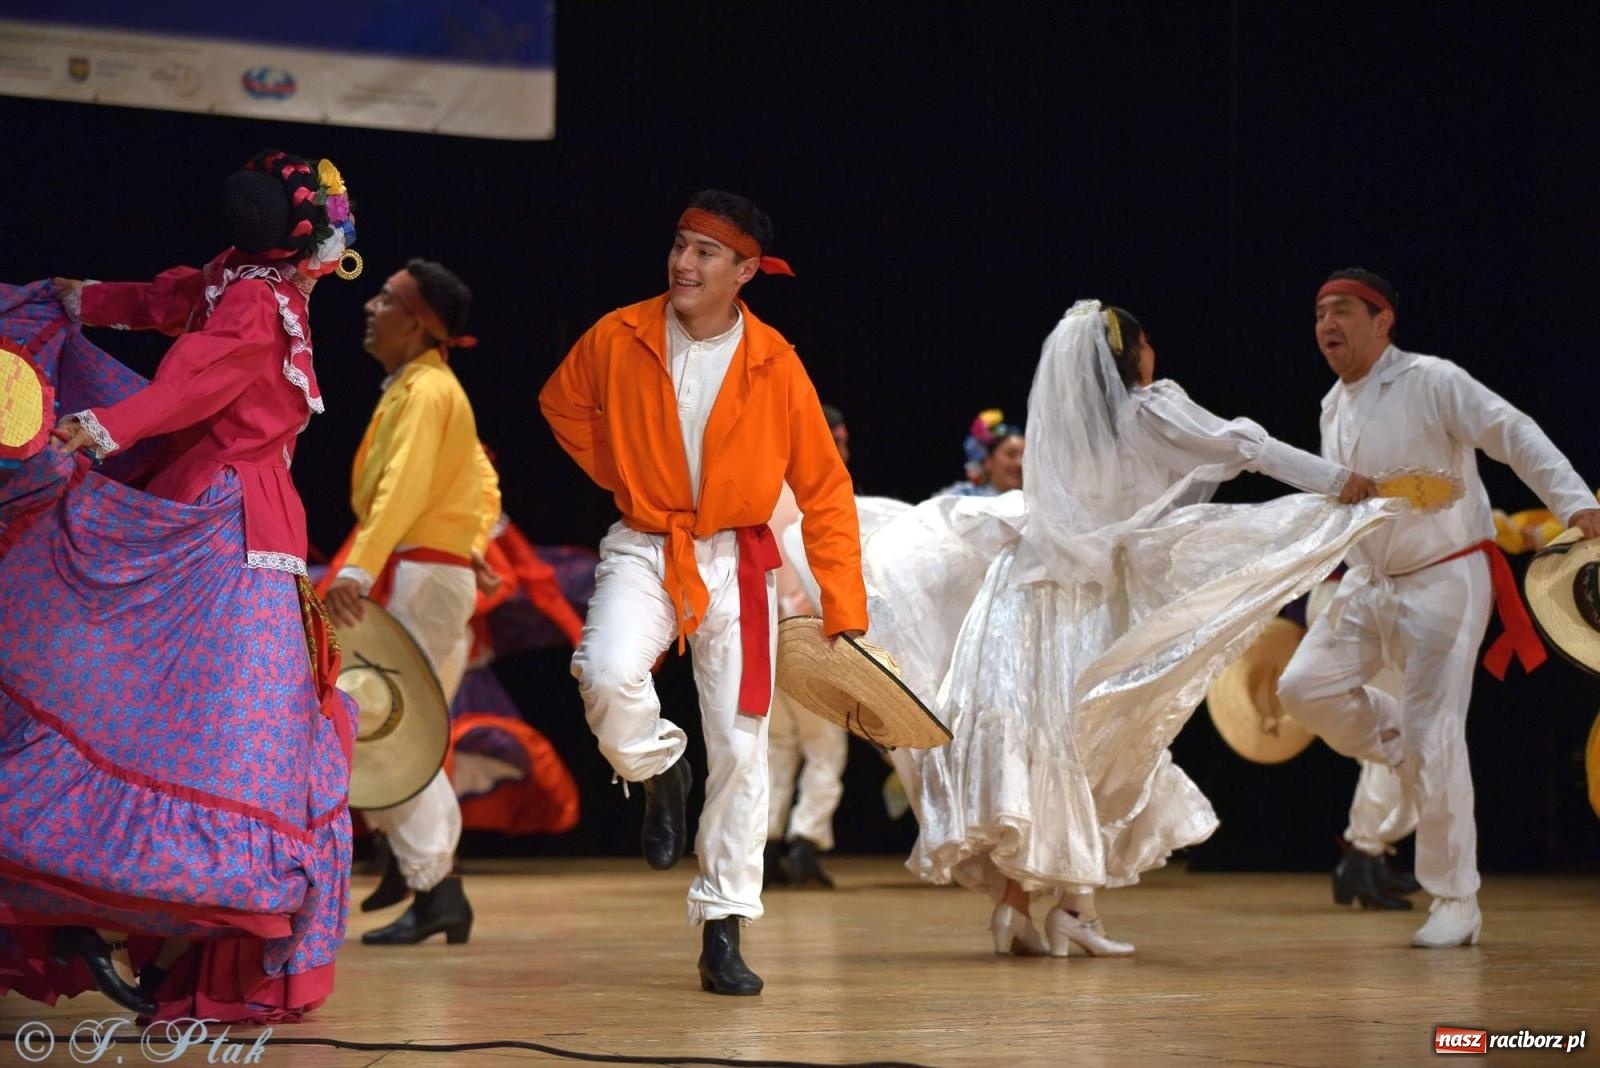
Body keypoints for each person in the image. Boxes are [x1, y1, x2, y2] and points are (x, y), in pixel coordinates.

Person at [865, 300, 1393, 958]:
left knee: (1038, 745)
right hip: (1079, 599)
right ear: (1131, 353)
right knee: (1096, 741)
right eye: (1147, 342)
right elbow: (1243, 445)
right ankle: (1071, 911)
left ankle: (1021, 908)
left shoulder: (1065, 427)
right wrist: (1337, 480)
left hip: (1017, 595)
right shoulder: (1147, 408)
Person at [0, 150, 359, 1022]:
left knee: (155, 726)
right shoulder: (257, 297)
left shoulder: (235, 280)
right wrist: (104, 424)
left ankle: (133, 928)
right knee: (230, 750)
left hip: (210, 511)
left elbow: (163, 306)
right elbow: (193, 381)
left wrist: (81, 298)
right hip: (233, 533)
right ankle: (165, 934)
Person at [539, 190, 866, 995]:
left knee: (743, 745)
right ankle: (659, 768)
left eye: (706, 252)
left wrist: (843, 607)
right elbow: (561, 405)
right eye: (680, 245)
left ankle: (724, 924)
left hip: (738, 562)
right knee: (608, 674)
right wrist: (628, 479)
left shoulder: (775, 361)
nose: (684, 263)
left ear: (746, 271)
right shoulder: (618, 335)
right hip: (647, 543)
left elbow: (825, 490)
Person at [1277, 268, 1600, 948]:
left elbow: (1512, 431)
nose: (1326, 326)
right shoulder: (1332, 405)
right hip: (1369, 581)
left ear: (1382, 320)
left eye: (1340, 311)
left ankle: (1456, 900)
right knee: (1301, 688)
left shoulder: (1431, 380)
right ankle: (1402, 742)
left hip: (1445, 577)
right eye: (1318, 315)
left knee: (1439, 734)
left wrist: (1574, 501)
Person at [319, 259, 496, 946]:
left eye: (385, 299)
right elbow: (480, 477)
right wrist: (475, 535)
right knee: (388, 731)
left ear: (417, 322)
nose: (369, 306)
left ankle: (436, 883)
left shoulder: (426, 390)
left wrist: (358, 571)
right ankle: (429, 881)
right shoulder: (419, 387)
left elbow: (400, 492)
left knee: (394, 734)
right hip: (427, 572)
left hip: (417, 573)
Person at [765, 404, 852, 889]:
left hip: (763, 631)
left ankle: (769, 842)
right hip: (809, 632)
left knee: (778, 743)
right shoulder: (821, 494)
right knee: (825, 744)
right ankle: (805, 841)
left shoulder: (768, 487)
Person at [933, 409, 1023, 497]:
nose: (1019, 463)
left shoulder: (1034, 501)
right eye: (1011, 454)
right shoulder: (961, 497)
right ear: (989, 461)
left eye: (1025, 457)